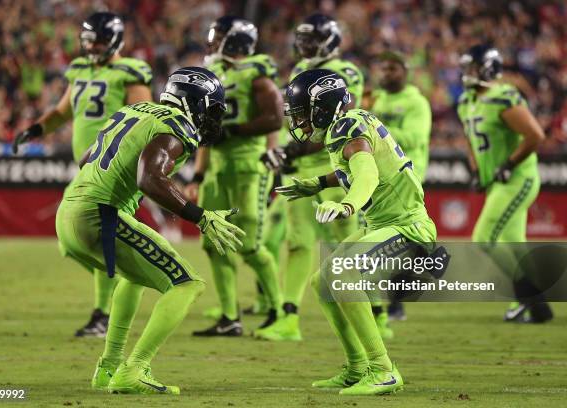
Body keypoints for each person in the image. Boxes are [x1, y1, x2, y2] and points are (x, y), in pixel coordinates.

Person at [57, 67, 245, 394]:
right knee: (187, 284)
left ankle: (109, 368)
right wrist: (200, 216)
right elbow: (150, 178)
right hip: (99, 215)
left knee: (135, 278)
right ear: (193, 103)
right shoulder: (176, 127)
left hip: (67, 214)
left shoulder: (131, 111)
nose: (211, 117)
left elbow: (87, 157)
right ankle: (136, 368)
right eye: (210, 108)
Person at [277, 68, 439, 395]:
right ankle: (357, 367)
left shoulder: (347, 129)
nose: (299, 123)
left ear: (322, 107)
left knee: (342, 275)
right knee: (322, 281)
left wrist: (348, 205)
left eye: (303, 114)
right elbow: (355, 166)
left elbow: (366, 173)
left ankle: (382, 370)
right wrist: (318, 184)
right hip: (385, 226)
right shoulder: (351, 121)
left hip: (407, 227)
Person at [13, 12, 153, 337]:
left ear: (115, 40)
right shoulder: (79, 71)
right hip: (88, 169)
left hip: (114, 168)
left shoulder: (130, 72)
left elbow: (144, 119)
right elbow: (63, 112)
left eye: (99, 40)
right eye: (88, 40)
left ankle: (103, 314)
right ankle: (115, 283)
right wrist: (35, 129)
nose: (92, 47)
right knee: (72, 240)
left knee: (97, 237)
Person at [256, 13, 371, 341]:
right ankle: (289, 317)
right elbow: (291, 120)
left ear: (330, 40)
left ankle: (373, 312)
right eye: (302, 39)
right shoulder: (297, 70)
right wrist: (283, 152)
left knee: (345, 242)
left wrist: (292, 150)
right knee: (298, 243)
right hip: (300, 166)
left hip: (332, 165)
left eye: (311, 39)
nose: (304, 45)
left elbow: (341, 123)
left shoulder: (346, 73)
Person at [184, 16, 284, 336]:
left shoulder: (256, 71)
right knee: (214, 242)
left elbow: (275, 118)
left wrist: (238, 130)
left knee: (249, 246)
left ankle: (281, 311)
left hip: (248, 167)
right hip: (217, 169)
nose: (213, 42)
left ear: (236, 40)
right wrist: (197, 177)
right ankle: (230, 317)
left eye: (220, 36)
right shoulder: (213, 75)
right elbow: (207, 134)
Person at [457, 44, 552, 323]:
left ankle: (531, 298)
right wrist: (476, 172)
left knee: (483, 237)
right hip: (496, 182)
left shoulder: (504, 96)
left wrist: (509, 164)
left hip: (518, 178)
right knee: (514, 243)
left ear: (488, 68)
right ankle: (535, 307)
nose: (468, 73)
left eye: (473, 67)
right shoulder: (466, 101)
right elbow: (470, 140)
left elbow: (535, 136)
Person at [370, 50, 432, 321]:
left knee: (400, 243)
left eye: (392, 69)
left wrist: (378, 131)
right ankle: (386, 301)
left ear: (405, 71)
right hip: (380, 180)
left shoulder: (416, 102)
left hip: (407, 179)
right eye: (383, 68)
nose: (386, 74)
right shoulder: (378, 99)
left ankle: (396, 302)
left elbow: (416, 137)